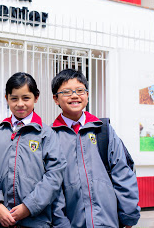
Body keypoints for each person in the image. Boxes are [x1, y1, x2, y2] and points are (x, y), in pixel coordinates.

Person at [50, 69, 140, 228]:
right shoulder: (51, 136)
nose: (74, 95)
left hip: (108, 220)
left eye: (80, 90)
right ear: (55, 99)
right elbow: (51, 186)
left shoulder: (103, 130)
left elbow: (123, 171)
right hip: (71, 222)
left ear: (87, 94)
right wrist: (60, 222)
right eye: (66, 92)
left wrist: (129, 214)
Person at [0, 72, 67, 227]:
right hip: (0, 221)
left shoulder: (47, 135)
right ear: (7, 98)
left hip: (36, 221)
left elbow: (54, 175)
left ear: (36, 97)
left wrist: (29, 206)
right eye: (14, 98)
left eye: (26, 98)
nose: (20, 104)